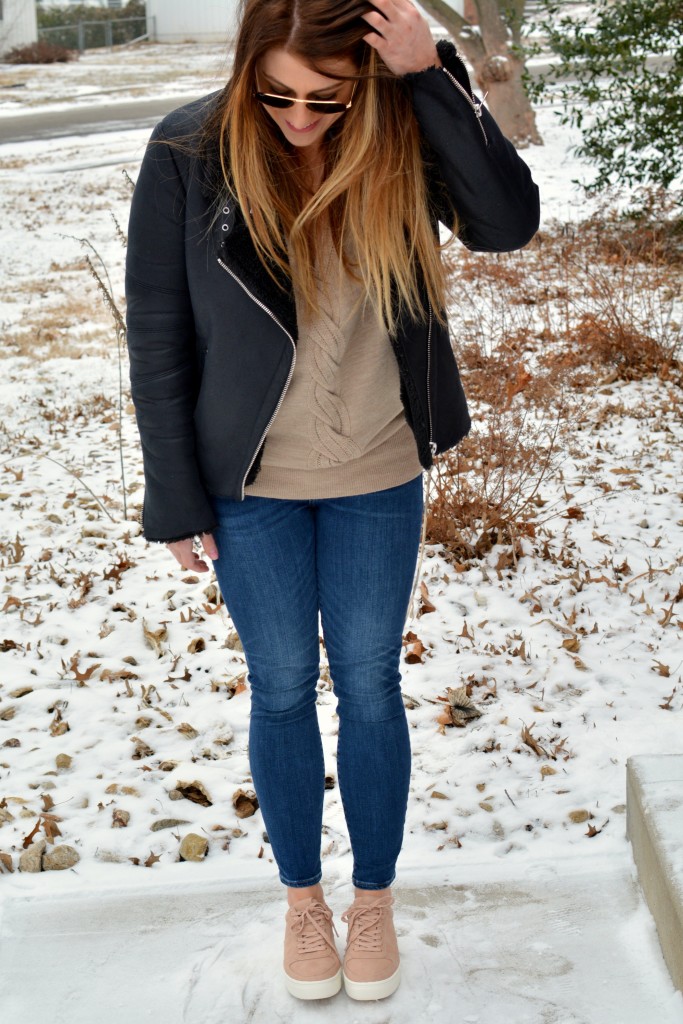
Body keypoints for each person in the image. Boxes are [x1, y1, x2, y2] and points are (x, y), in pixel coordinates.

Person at [125, 0, 540, 1004]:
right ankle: (303, 898)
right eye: (275, 94)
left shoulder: (400, 136)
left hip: (378, 475)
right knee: (277, 689)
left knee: (367, 687)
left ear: (358, 81)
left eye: (326, 97)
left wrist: (425, 73)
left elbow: (506, 222)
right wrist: (175, 493)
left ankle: (374, 901)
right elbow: (157, 325)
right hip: (248, 484)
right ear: (243, 68)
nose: (299, 116)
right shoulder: (189, 147)